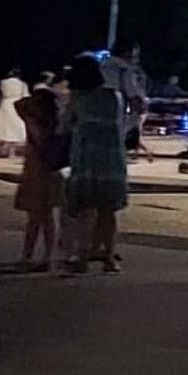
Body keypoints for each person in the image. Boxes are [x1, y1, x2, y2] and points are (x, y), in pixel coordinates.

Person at [61, 55, 128, 274]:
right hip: (112, 158)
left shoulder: (77, 99)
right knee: (109, 210)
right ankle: (109, 257)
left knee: (85, 210)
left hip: (86, 157)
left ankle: (82, 258)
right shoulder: (114, 96)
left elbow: (64, 126)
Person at [13, 75, 67, 269]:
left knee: (34, 218)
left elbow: (19, 104)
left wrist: (43, 94)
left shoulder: (33, 123)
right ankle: (47, 257)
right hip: (52, 171)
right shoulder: (56, 126)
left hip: (35, 172)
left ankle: (28, 256)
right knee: (47, 217)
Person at [0, 67, 28, 155]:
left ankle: (5, 148)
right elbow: (25, 96)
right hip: (17, 104)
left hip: (6, 104)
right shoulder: (22, 84)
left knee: (5, 126)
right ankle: (12, 151)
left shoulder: (3, 82)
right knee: (15, 127)